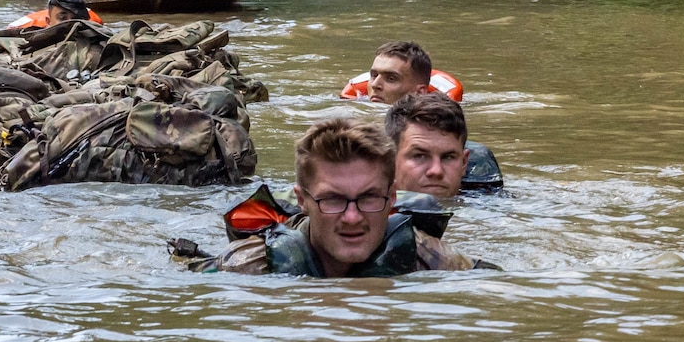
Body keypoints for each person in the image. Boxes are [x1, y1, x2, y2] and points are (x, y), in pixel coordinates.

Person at [172, 117, 489, 277]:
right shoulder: (246, 266)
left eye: (369, 198)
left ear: (392, 197)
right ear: (302, 200)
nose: (353, 218)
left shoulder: (431, 259)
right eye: (333, 200)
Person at [3, 0, 104, 30]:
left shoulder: (94, 25)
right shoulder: (25, 28)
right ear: (48, 22)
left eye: (76, 19)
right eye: (62, 18)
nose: (70, 23)